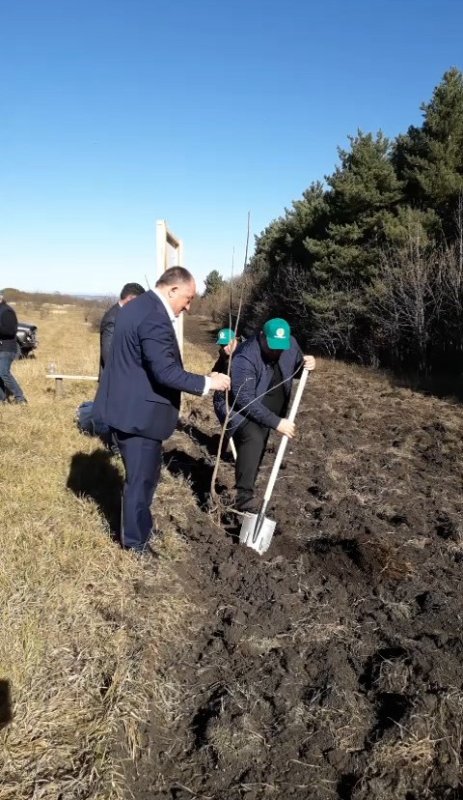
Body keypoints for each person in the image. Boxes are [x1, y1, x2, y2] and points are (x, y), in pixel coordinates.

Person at [93, 266, 230, 554]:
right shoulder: (153, 316)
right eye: (188, 298)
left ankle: (140, 525)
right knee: (140, 481)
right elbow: (166, 372)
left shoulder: (135, 307)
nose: (189, 306)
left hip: (129, 408)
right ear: (172, 289)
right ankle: (135, 544)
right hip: (138, 416)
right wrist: (210, 382)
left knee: (146, 476)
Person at [227, 317, 315, 513]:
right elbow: (245, 399)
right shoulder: (245, 356)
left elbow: (297, 369)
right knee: (254, 437)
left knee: (257, 448)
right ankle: (243, 498)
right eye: (272, 345)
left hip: (269, 406)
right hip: (238, 406)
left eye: (280, 346)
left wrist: (308, 365)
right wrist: (277, 422)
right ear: (261, 337)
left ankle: (247, 488)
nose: (276, 350)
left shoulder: (290, 343)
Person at [99, 282, 145, 376]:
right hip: (114, 379)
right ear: (130, 299)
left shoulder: (126, 315)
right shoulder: (112, 318)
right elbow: (108, 355)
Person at [0, 291, 27, 405]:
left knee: (3, 373)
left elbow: (10, 331)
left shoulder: (7, 311)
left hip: (7, 348)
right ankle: (3, 399)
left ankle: (20, 398)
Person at [211, 327, 238, 427]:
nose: (224, 348)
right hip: (225, 394)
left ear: (234, 340)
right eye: (222, 345)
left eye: (226, 344)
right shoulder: (223, 353)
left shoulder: (243, 355)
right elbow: (214, 371)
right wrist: (214, 376)